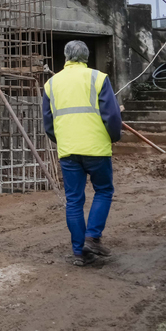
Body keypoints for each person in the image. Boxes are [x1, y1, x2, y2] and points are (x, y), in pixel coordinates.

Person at [42, 40, 122, 266]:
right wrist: (114, 137)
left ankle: (79, 252)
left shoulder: (51, 83)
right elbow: (113, 116)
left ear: (66, 56)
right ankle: (92, 238)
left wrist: (61, 140)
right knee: (104, 190)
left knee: (74, 201)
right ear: (86, 57)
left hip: (68, 150)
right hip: (96, 148)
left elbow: (48, 123)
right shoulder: (98, 78)